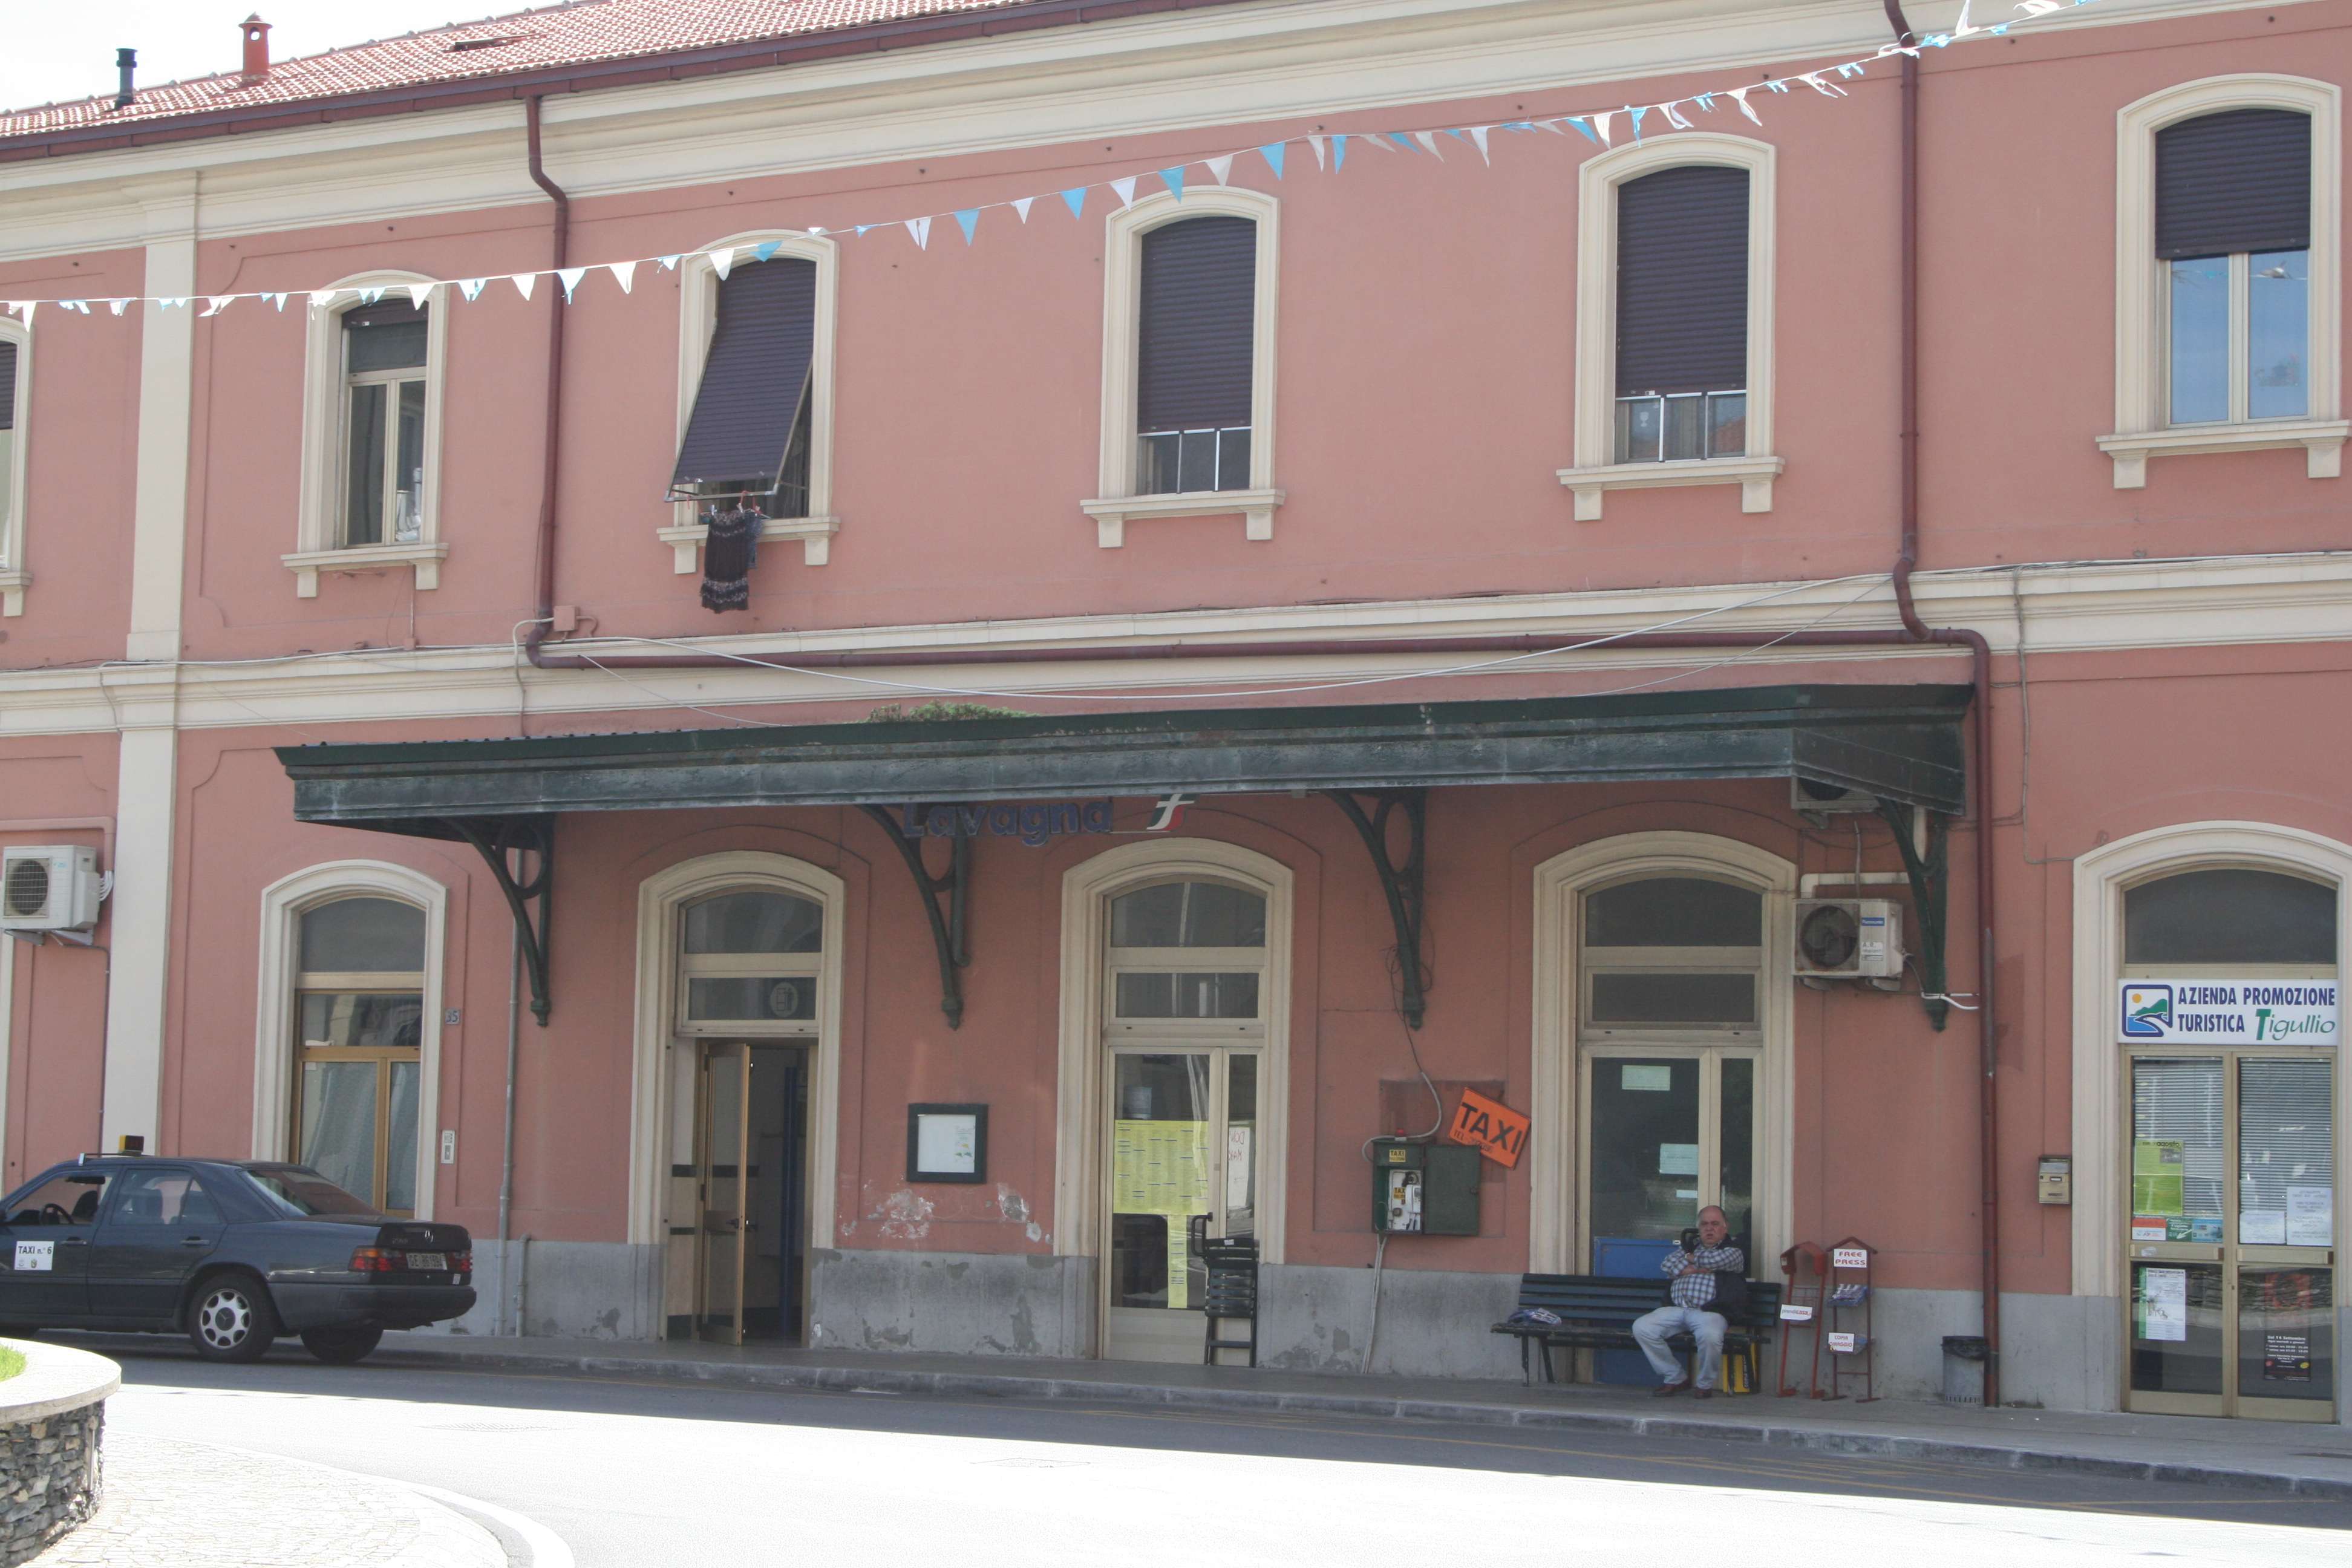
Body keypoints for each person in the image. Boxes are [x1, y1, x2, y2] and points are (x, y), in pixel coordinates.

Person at [1632, 1206, 1745, 1399]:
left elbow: (1718, 1261)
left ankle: (1705, 1384)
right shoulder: (1687, 1248)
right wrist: (1690, 1264)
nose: (1709, 1229)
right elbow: (1667, 1264)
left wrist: (1690, 1262)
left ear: (1725, 1228)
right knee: (1642, 1327)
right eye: (1704, 1224)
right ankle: (1675, 1377)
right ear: (1699, 1229)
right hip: (1677, 1309)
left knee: (1710, 1335)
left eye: (1715, 1224)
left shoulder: (1734, 1250)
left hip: (1711, 1311)